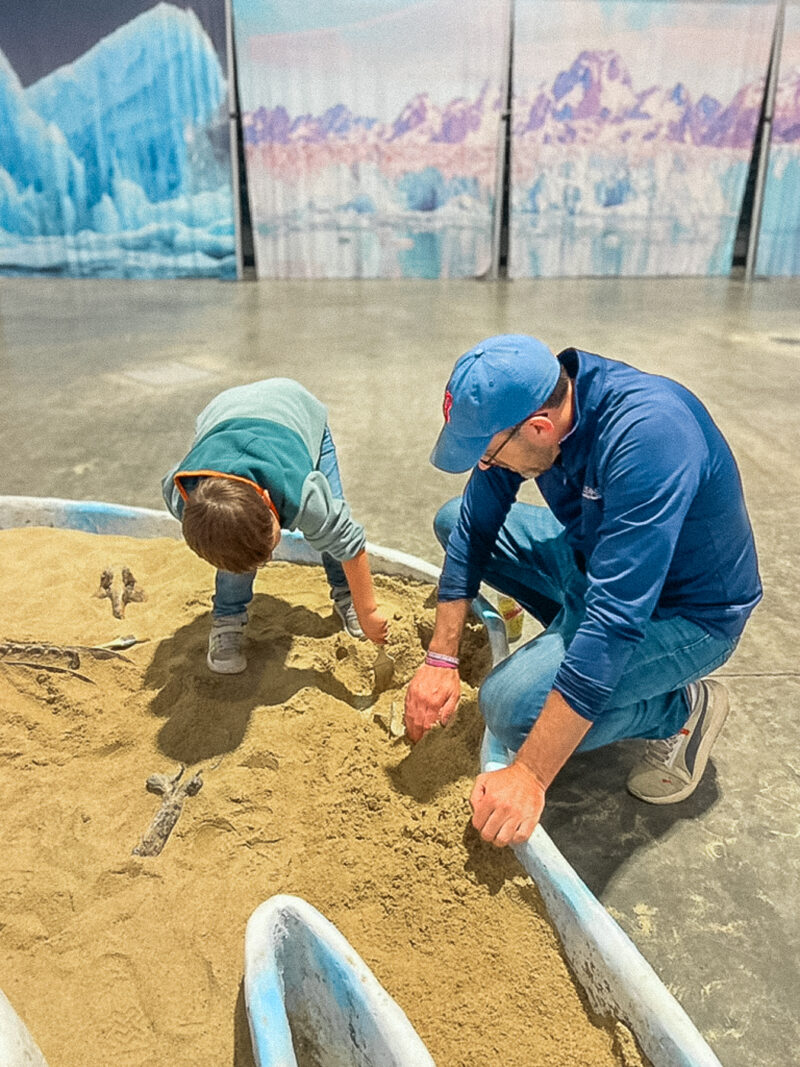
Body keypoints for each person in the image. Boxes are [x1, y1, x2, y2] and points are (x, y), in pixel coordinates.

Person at [404, 334, 761, 848]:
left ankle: (681, 710)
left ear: (539, 428)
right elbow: (476, 527)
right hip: (599, 565)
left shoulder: (649, 437)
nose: (487, 465)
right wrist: (441, 658)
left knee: (507, 707)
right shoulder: (537, 404)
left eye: (489, 454)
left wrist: (529, 776)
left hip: (685, 614)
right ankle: (568, 664)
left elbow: (614, 624)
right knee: (452, 518)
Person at [162, 377, 388, 673]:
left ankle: (346, 595)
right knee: (231, 543)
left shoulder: (302, 493)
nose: (270, 559)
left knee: (332, 522)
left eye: (269, 545)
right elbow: (179, 484)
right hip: (224, 415)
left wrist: (368, 610)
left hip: (297, 414)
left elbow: (349, 542)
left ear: (269, 500)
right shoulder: (183, 497)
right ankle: (227, 618)